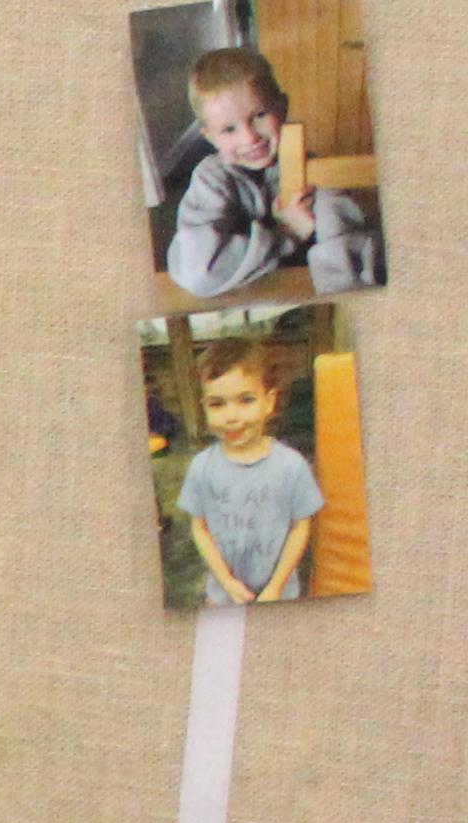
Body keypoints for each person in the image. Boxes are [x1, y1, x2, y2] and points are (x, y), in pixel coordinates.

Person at [167, 44, 386, 298]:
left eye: (260, 115)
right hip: (246, 300)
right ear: (211, 138)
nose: (250, 137)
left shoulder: (315, 176)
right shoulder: (211, 178)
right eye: (229, 129)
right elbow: (200, 272)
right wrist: (285, 233)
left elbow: (348, 275)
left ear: (282, 107)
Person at [174, 339, 327, 604]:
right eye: (217, 404)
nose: (231, 416)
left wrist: (276, 587)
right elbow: (199, 529)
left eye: (246, 400)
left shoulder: (292, 466)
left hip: (279, 594)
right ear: (204, 406)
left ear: (269, 402)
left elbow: (300, 527)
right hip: (223, 596)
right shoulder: (201, 468)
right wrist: (226, 582)